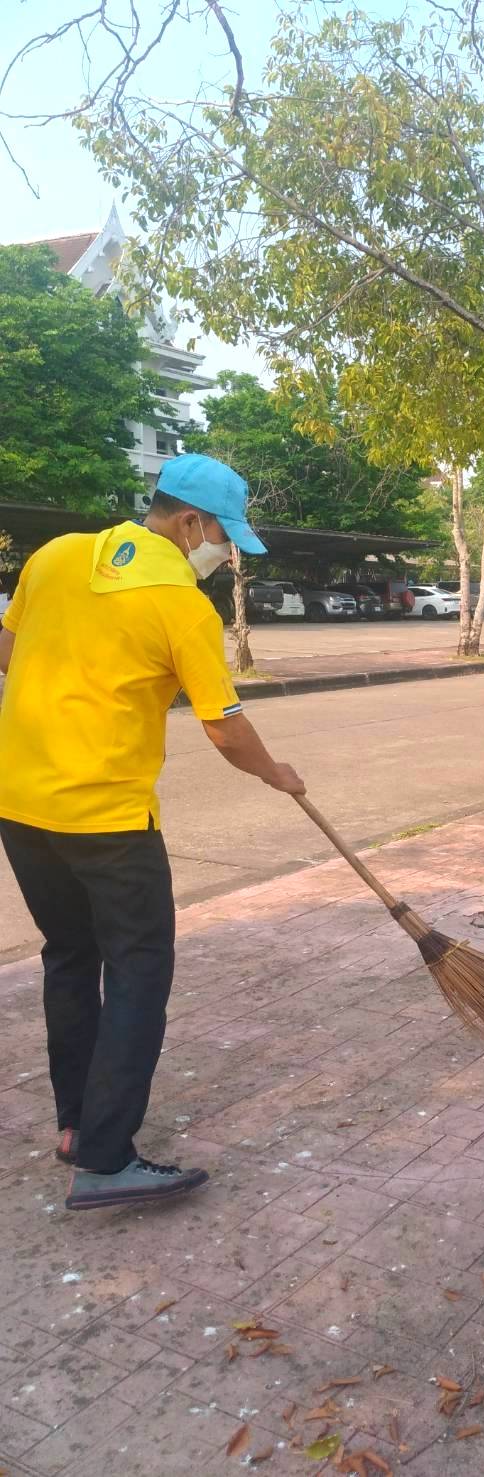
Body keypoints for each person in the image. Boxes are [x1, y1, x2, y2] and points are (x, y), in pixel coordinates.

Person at [0, 453, 305, 1212]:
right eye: (221, 538)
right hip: (108, 821)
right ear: (190, 523)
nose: (221, 555)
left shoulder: (59, 554)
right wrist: (278, 774)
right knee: (139, 971)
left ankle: (76, 1126)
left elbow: (8, 652)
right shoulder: (182, 604)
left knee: (70, 958)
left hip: (20, 807)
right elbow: (226, 731)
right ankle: (105, 1159)